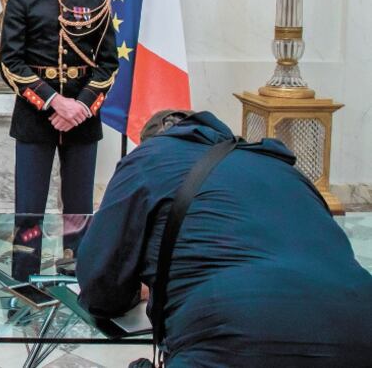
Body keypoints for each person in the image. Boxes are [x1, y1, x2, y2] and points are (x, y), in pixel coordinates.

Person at [76, 110, 372, 367]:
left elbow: (100, 282)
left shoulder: (149, 157)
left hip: (231, 336)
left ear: (151, 140)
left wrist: (139, 290)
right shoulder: (281, 167)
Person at [0, 0, 118, 281]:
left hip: (82, 119)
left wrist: (78, 106)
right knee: (29, 209)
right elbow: (11, 61)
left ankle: (74, 280)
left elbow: (108, 64)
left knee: (79, 210)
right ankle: (24, 282)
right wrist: (54, 102)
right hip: (36, 117)